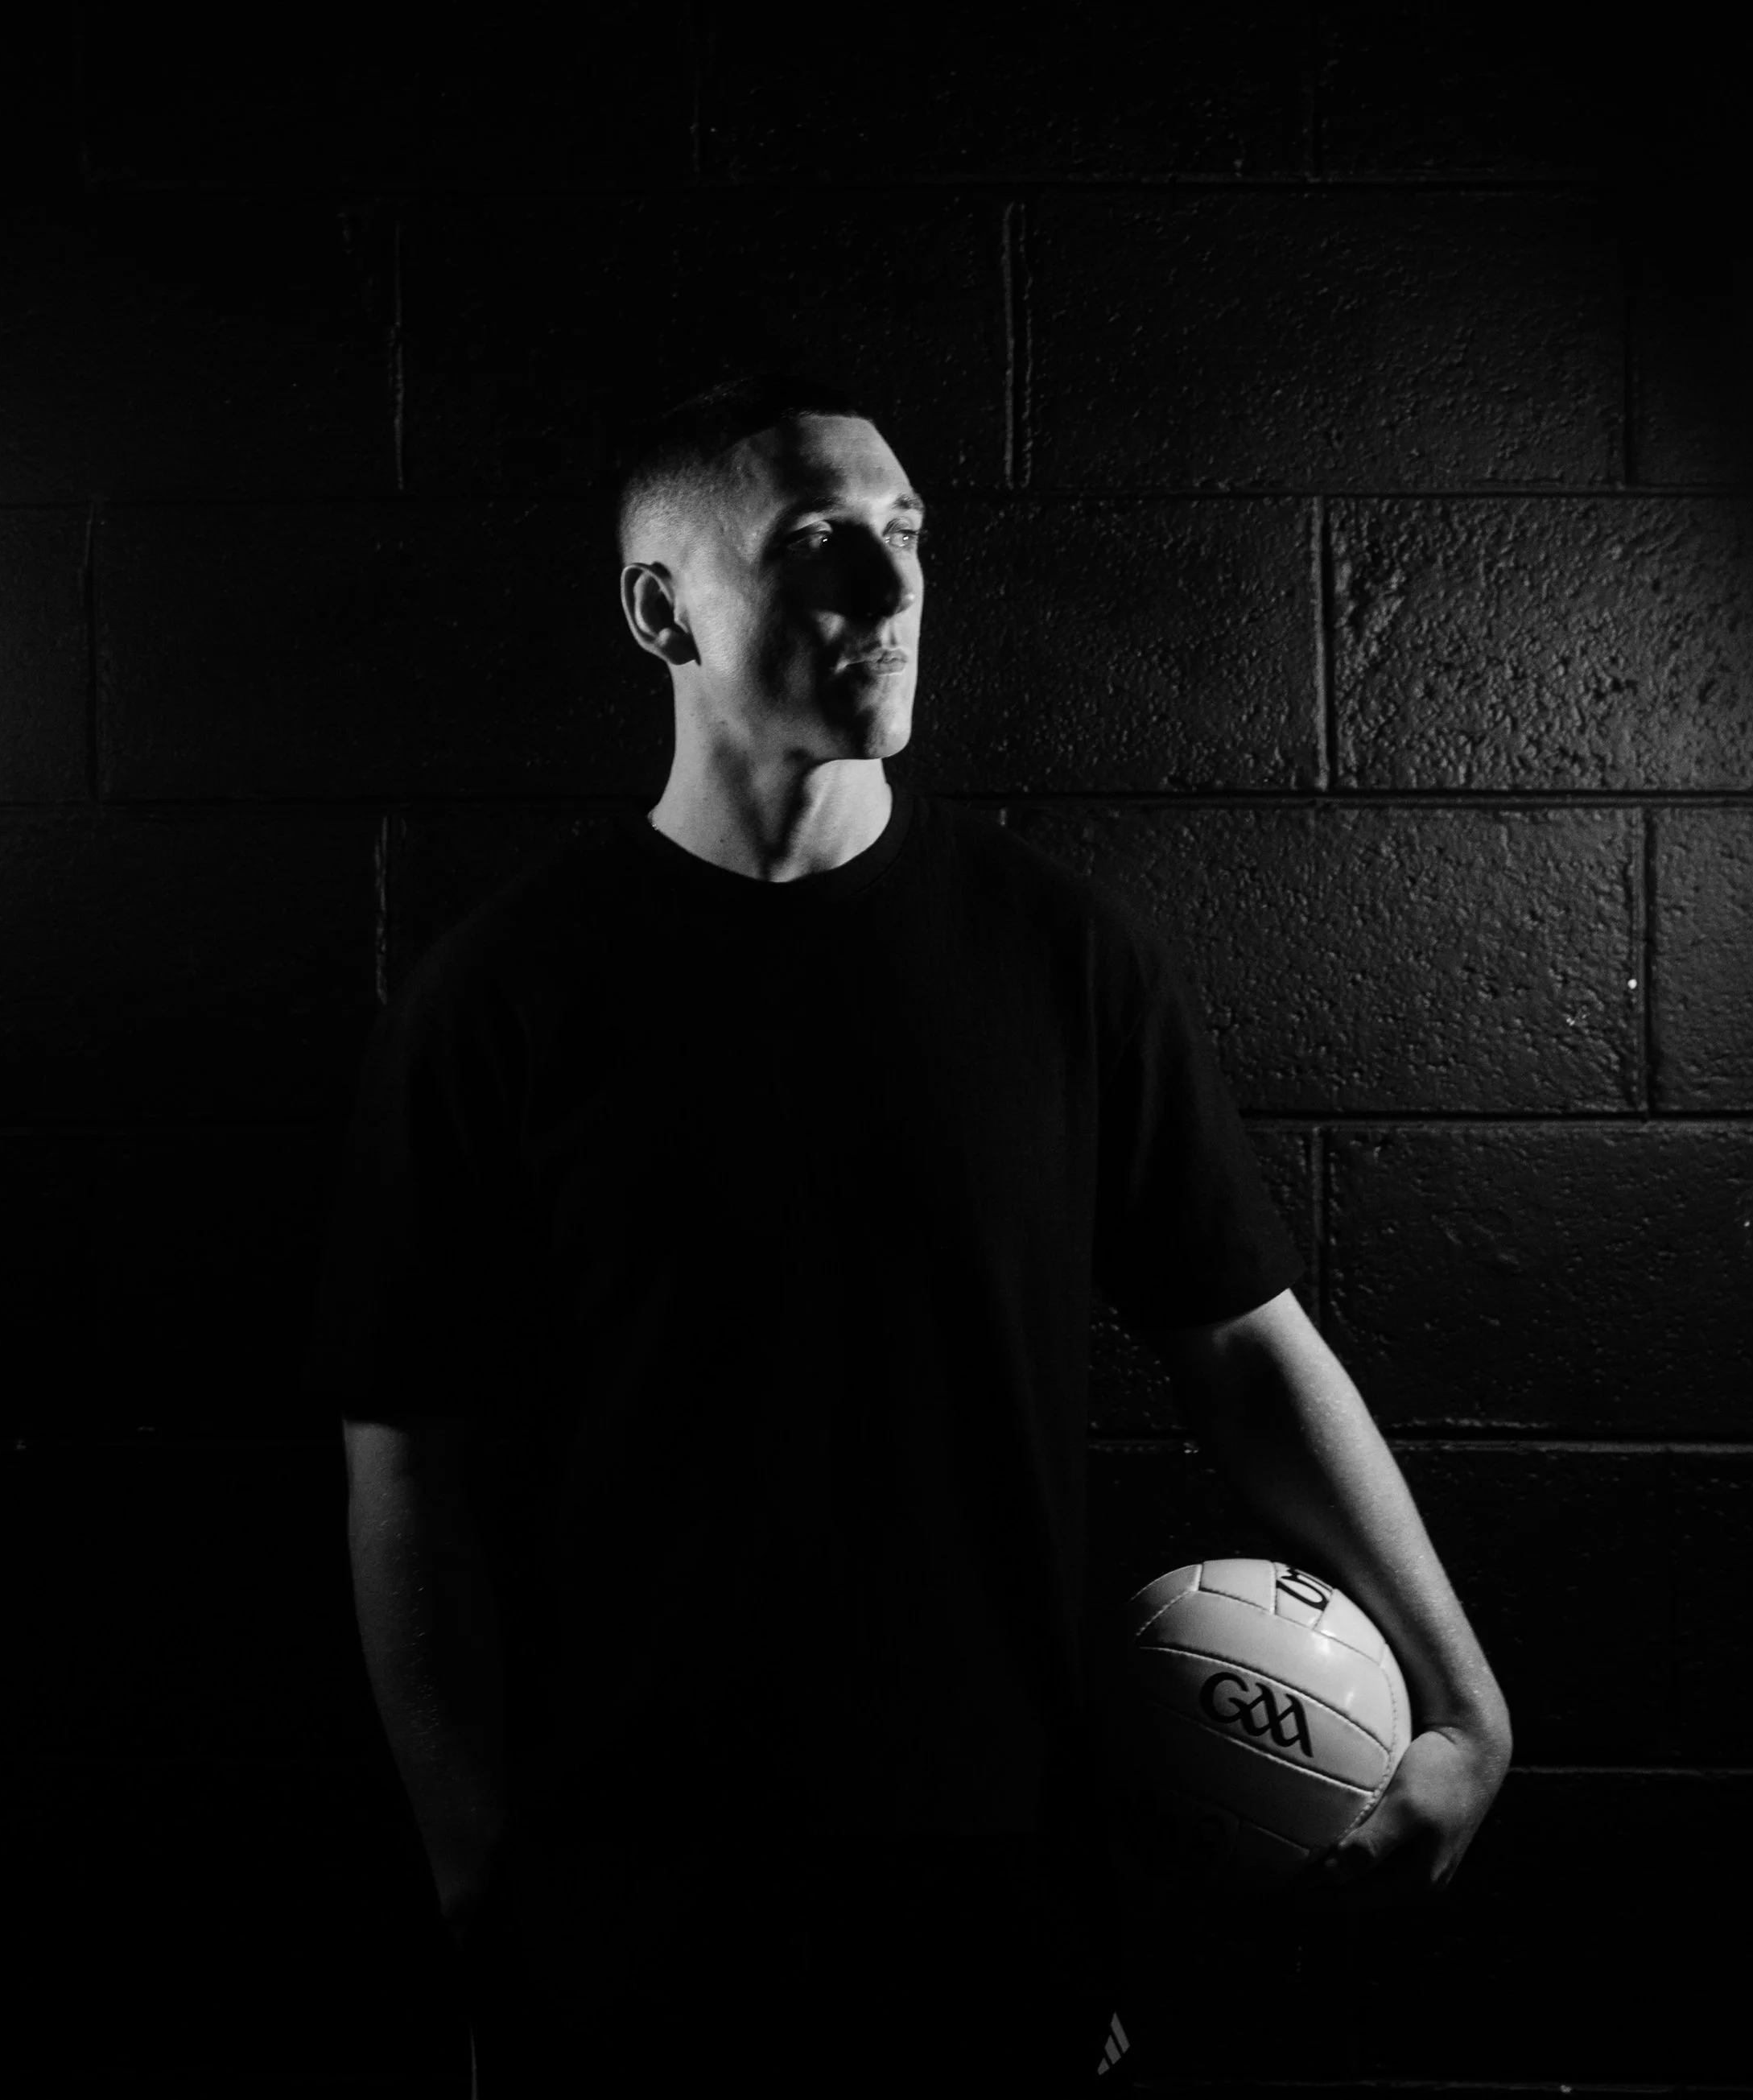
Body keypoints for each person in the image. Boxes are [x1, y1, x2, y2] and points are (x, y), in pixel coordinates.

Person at [310, 375, 1512, 2097]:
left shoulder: (1055, 959)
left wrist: (1464, 1700)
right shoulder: (502, 1003)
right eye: (819, 546)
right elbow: (404, 1475)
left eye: (906, 536)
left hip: (990, 1916)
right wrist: (481, 1895)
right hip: (636, 1930)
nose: (889, 590)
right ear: (663, 609)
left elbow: (1245, 1349)